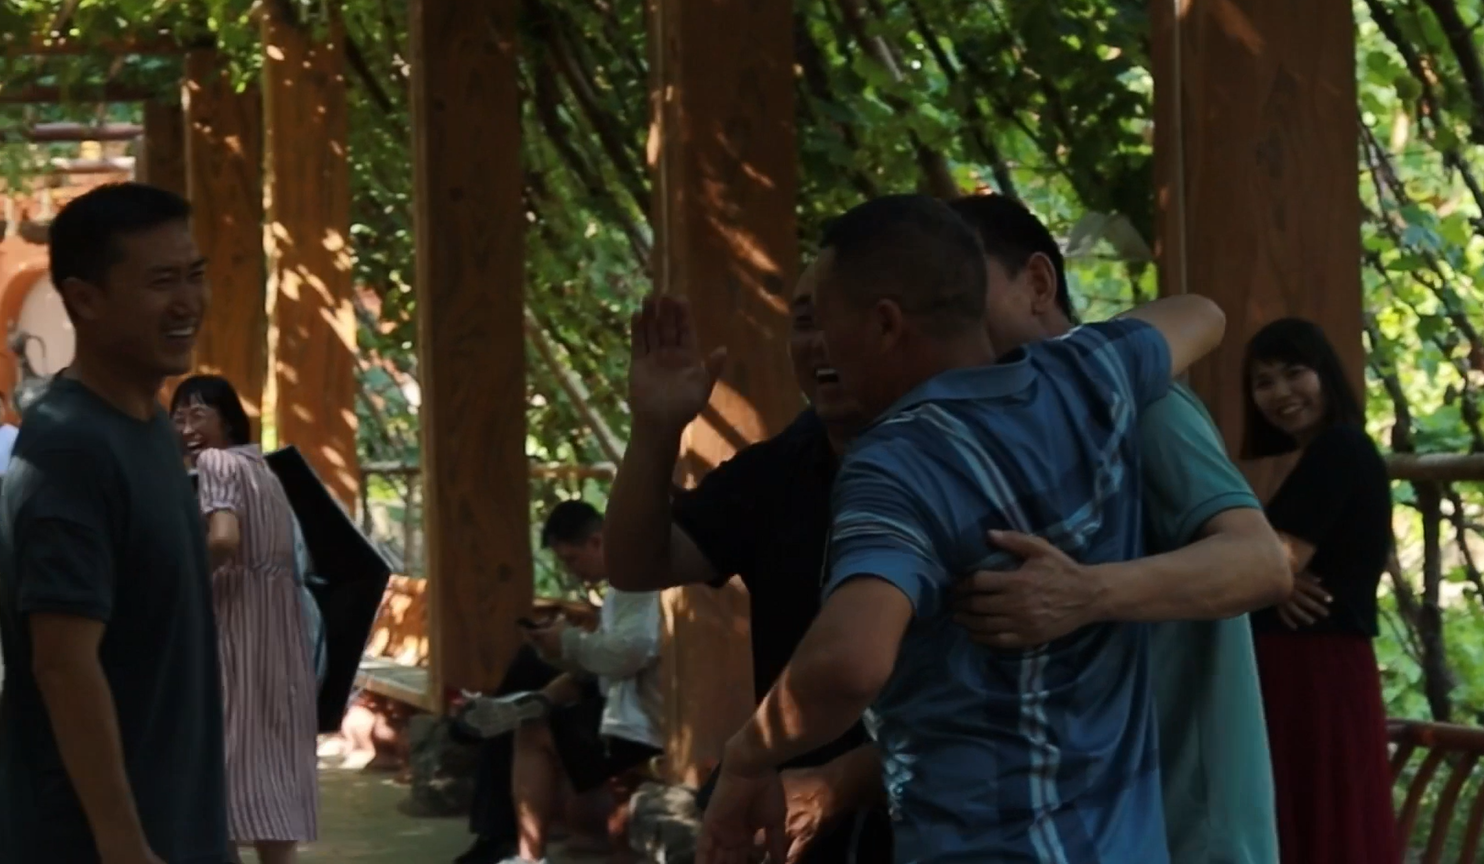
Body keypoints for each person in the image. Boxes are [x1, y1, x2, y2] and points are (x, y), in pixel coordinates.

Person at [697, 195, 1223, 864]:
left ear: (885, 324)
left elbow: (851, 660)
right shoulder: (1085, 376)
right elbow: (1203, 314)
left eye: (826, 326)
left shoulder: (894, 463)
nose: (820, 351)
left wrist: (747, 757)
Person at [946, 193, 1289, 864]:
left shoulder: (1140, 403)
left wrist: (1087, 592)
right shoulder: (979, 441)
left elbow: (1261, 562)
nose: (938, 317)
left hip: (1189, 835)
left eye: (956, 289)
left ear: (1037, 283)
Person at [601, 263, 893, 864]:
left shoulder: (976, 467)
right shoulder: (781, 468)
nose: (823, 342)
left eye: (846, 318)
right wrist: (655, 430)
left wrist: (839, 781)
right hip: (790, 805)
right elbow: (636, 564)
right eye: (806, 322)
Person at [0, 183, 226, 864]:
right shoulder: (72, 448)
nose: (187, 302)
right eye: (161, 282)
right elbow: (63, 663)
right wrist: (123, 842)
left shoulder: (150, 423)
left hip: (177, 823)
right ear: (85, 299)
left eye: (194, 275)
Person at [1240, 317, 1395, 864]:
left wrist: (1269, 579)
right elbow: (1272, 569)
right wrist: (1272, 581)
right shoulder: (1312, 458)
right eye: (1263, 382)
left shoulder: (1340, 448)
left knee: (1319, 821)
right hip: (1308, 666)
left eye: (1294, 372)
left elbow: (1273, 564)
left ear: (1325, 373)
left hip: (1314, 668)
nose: (1281, 392)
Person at [454, 500, 664, 864]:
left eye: (572, 559)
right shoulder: (623, 584)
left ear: (597, 542)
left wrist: (567, 641)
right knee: (536, 668)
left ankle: (524, 853)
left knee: (532, 732)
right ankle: (527, 703)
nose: (571, 571)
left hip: (641, 717)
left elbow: (627, 654)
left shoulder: (637, 581)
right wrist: (556, 648)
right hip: (621, 695)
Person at [171, 373, 320, 864]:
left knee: (225, 758)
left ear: (228, 420)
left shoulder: (216, 463)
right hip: (278, 631)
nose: (186, 428)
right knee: (271, 763)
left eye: (198, 414)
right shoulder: (265, 472)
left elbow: (224, 538)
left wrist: (186, 585)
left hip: (234, 622)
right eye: (178, 417)